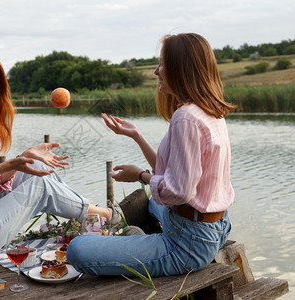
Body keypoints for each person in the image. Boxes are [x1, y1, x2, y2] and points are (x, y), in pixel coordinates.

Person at [0, 47, 119, 261]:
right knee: (39, 186)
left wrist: (23, 159)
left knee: (38, 169)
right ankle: (106, 216)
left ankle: (89, 219)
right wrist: (10, 165)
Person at [67, 33, 236, 277]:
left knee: (77, 250)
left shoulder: (186, 118)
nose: (156, 71)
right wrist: (136, 136)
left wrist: (141, 175)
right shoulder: (209, 110)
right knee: (152, 199)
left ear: (180, 69)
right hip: (214, 226)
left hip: (188, 243)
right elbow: (174, 175)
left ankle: (137, 239)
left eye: (162, 64)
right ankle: (137, 237)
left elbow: (179, 191)